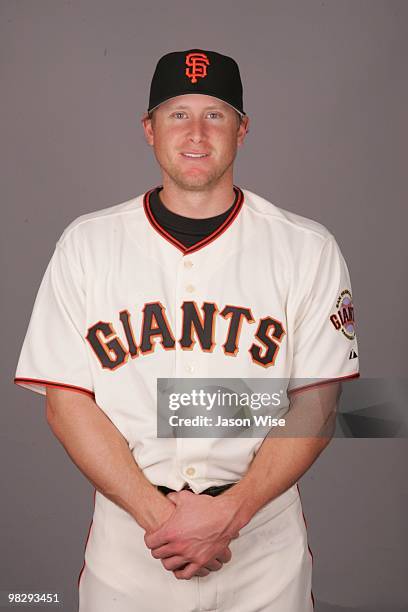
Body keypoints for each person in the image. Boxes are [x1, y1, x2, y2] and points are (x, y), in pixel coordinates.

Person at [14, 49, 360, 611]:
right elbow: (66, 402)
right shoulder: (87, 243)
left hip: (260, 544)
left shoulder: (306, 247)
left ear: (242, 130)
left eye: (215, 114)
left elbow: (320, 402)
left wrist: (231, 513)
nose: (196, 132)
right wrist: (161, 519)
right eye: (178, 114)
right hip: (134, 542)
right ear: (149, 129)